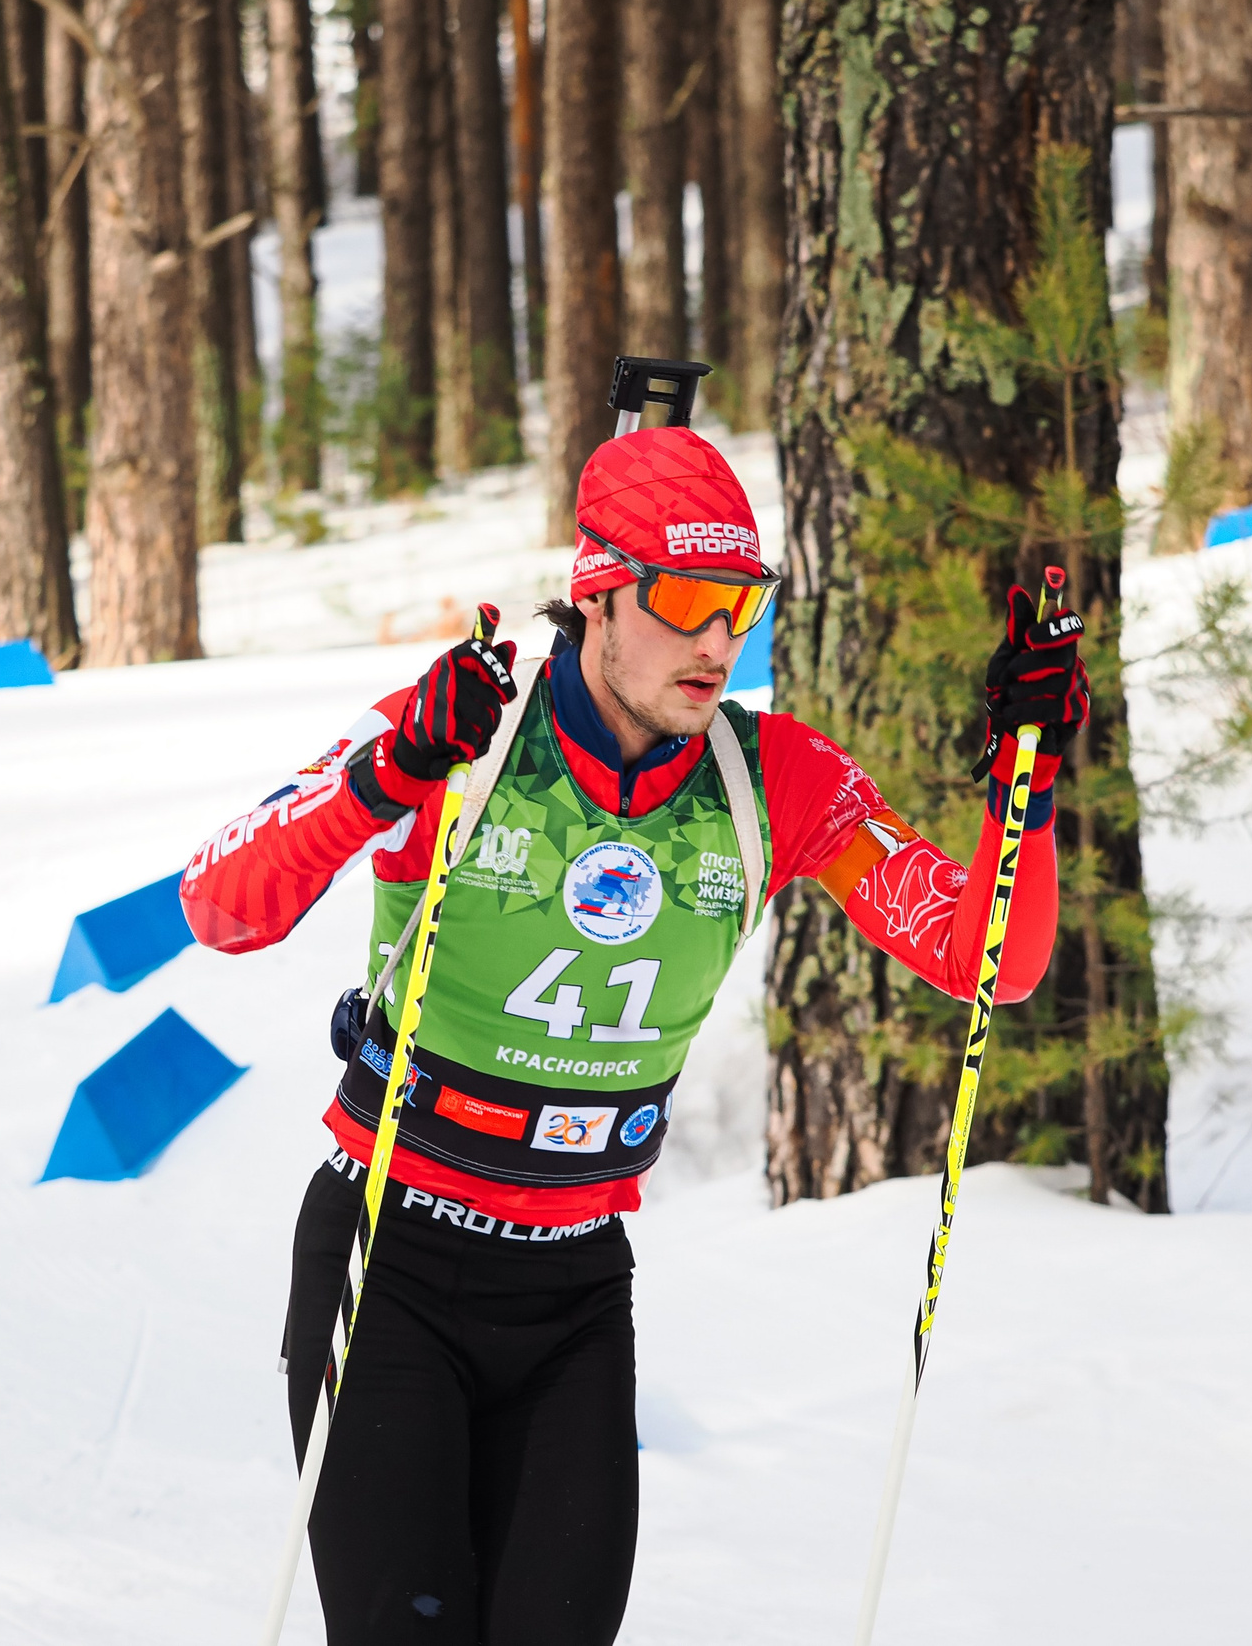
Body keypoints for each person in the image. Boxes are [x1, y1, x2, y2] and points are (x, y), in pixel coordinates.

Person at [180, 423, 1089, 1645]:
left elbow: (993, 954)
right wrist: (389, 770)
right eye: (688, 602)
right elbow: (219, 905)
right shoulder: (469, 737)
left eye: (742, 606)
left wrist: (1018, 781)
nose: (720, 642)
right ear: (599, 593)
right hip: (387, 1258)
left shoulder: (777, 781)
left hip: (572, 1287)